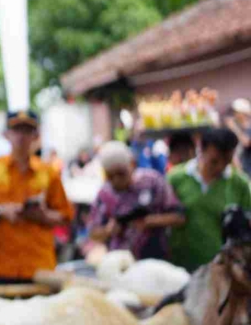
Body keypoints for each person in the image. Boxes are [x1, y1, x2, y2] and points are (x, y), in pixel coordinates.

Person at [0, 110, 73, 283]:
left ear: (36, 136)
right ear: (6, 135)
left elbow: (65, 216)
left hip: (39, 267)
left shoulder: (48, 173)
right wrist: (0, 211)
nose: (21, 137)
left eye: (27, 131)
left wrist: (42, 216)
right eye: (16, 130)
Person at [168, 128, 251, 271]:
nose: (221, 166)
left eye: (227, 161)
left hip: (220, 269)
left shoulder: (239, 184)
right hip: (180, 266)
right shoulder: (176, 178)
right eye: (214, 161)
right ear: (201, 149)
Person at [87, 141, 184, 260]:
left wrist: (150, 221)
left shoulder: (152, 182)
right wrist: (108, 230)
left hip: (155, 261)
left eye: (121, 173)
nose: (117, 180)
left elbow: (179, 216)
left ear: (132, 164)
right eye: (111, 176)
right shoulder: (105, 194)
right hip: (120, 265)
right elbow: (93, 233)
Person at [226, 98, 251, 174]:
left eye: (236, 112)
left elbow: (247, 142)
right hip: (239, 167)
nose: (235, 115)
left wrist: (234, 128)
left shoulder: (247, 127)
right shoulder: (238, 128)